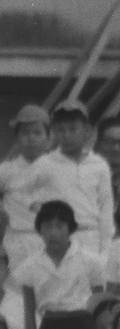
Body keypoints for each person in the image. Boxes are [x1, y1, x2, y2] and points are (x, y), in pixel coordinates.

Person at [14, 199, 104, 329]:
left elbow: (100, 308)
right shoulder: (29, 267)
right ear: (39, 230)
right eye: (47, 226)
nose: (53, 232)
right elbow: (29, 315)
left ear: (70, 228)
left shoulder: (91, 261)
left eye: (59, 226)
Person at [27, 99, 115, 258]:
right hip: (57, 239)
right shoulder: (44, 164)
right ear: (54, 132)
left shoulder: (99, 165)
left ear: (87, 130)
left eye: (73, 129)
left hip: (90, 238)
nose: (66, 135)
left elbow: (105, 209)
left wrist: (105, 251)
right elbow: (23, 196)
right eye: (61, 129)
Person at [0, 104, 53, 270]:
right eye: (25, 133)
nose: (31, 138)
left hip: (51, 239)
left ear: (48, 138)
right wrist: (0, 212)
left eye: (37, 133)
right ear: (17, 138)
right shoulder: (7, 170)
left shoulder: (60, 168)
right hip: (16, 240)